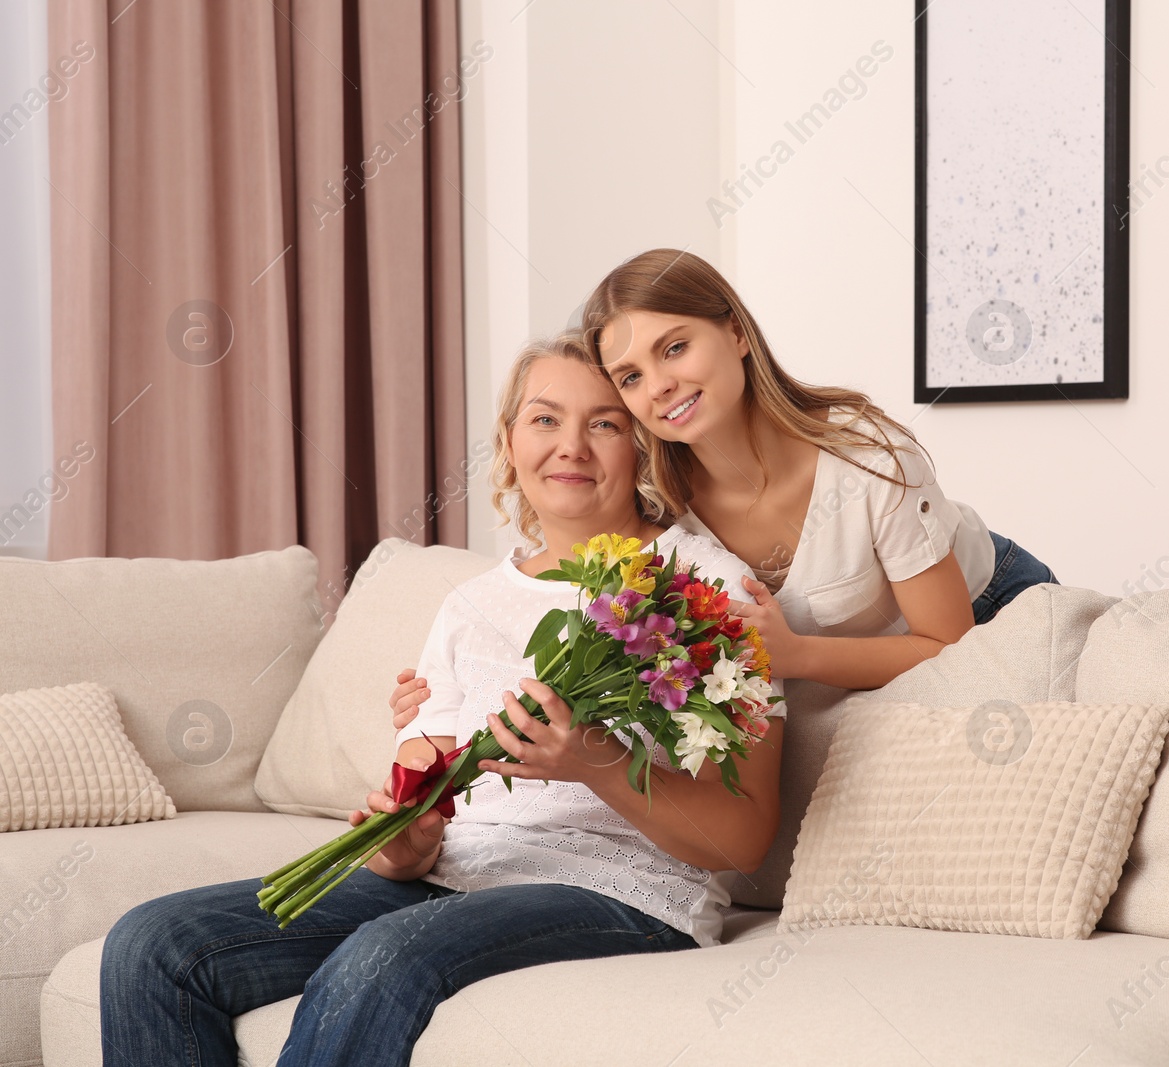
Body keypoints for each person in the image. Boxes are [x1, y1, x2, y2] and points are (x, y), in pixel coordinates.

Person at [99, 334, 784, 1067]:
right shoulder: (471, 604)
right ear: (511, 442)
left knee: (383, 955)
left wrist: (599, 763)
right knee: (151, 945)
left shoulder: (706, 590)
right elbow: (415, 827)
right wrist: (405, 837)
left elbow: (742, 841)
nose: (571, 447)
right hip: (453, 876)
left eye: (605, 423)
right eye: (545, 419)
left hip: (625, 892)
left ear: (644, 445)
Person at [579, 248, 1058, 691]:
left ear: (737, 333)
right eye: (631, 377)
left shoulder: (866, 456)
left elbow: (950, 648)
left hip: (990, 613)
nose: (659, 386)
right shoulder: (658, 508)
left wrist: (795, 655)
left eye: (675, 348)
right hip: (856, 674)